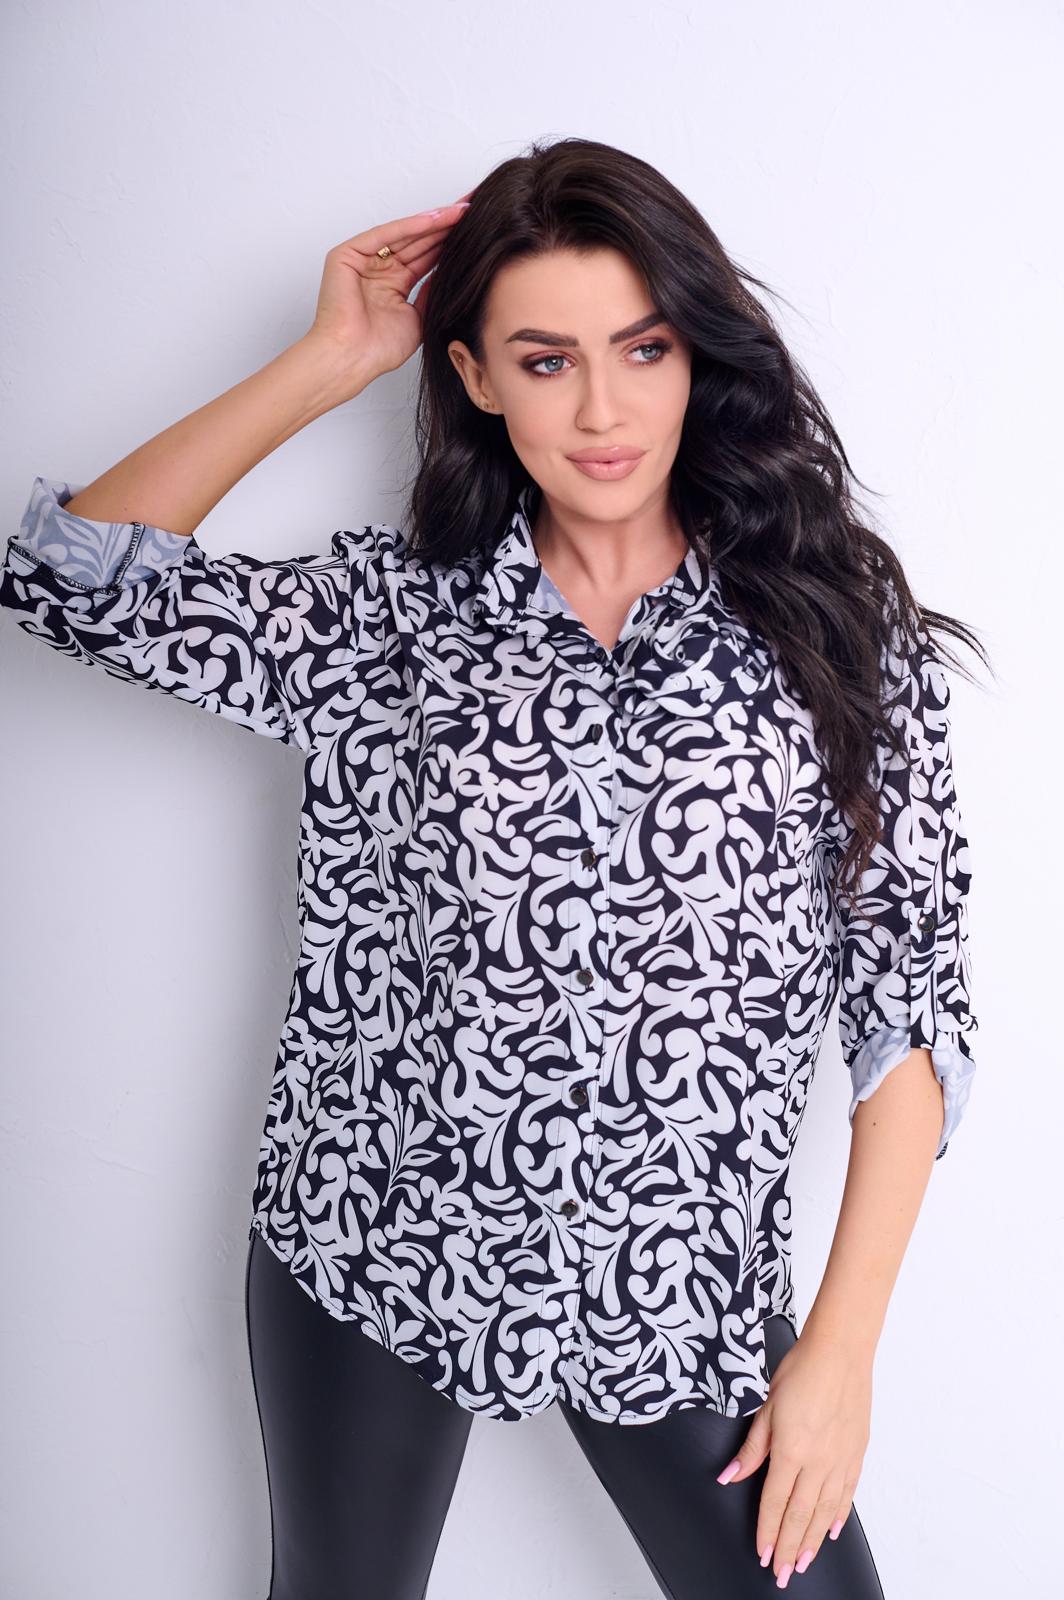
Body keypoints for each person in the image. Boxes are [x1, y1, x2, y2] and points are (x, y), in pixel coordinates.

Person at [1, 137, 985, 1599]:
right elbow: (68, 580)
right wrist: (331, 360)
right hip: (375, 1238)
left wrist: (839, 1355)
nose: (602, 410)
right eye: (544, 360)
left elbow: (909, 1010)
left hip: (677, 1290)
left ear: (696, 355)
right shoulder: (391, 620)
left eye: (642, 349)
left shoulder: (836, 635)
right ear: (472, 375)